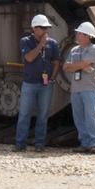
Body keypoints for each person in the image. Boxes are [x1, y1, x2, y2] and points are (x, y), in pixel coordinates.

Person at [16, 13, 60, 152]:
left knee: (43, 115)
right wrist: (41, 45)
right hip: (29, 84)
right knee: (24, 114)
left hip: (46, 85)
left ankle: (39, 144)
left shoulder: (53, 44)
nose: (45, 30)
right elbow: (28, 58)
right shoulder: (25, 41)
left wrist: (52, 78)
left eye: (46, 28)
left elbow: (56, 62)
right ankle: (20, 144)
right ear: (34, 28)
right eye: (42, 27)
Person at [63, 21, 95, 154]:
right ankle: (85, 143)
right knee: (79, 117)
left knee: (91, 116)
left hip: (90, 89)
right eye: (78, 33)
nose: (78, 36)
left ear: (88, 36)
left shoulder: (94, 49)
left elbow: (80, 64)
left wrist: (77, 65)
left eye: (81, 34)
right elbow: (66, 67)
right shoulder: (74, 50)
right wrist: (80, 66)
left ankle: (94, 144)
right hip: (76, 89)